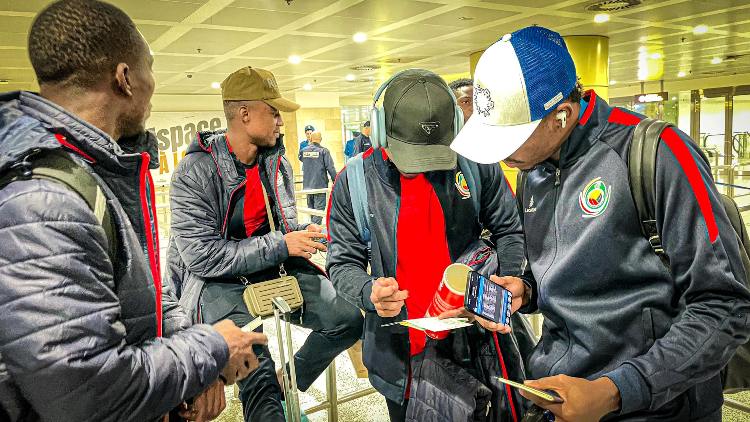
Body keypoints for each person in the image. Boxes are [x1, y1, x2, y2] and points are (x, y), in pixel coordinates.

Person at [450, 26, 750, 422]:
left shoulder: (657, 153)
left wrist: (615, 392)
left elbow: (726, 306)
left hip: (655, 407)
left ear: (561, 115)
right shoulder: (532, 171)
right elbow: (567, 271)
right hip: (558, 396)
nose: (502, 156)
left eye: (511, 138)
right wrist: (527, 289)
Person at [0, 1, 265, 421]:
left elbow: (143, 287)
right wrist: (213, 348)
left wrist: (193, 364)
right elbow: (88, 393)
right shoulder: (42, 199)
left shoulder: (97, 168)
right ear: (125, 78)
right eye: (150, 69)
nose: (153, 84)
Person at [326, 69, 527, 422]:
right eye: (410, 155)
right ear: (380, 130)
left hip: (474, 345)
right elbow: (342, 262)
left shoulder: (476, 165)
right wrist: (368, 292)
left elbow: (509, 229)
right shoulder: (353, 182)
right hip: (400, 357)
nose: (420, 166)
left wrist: (505, 284)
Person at [167, 66, 364, 422]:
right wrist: (282, 245)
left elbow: (279, 226)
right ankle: (268, 394)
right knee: (255, 371)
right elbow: (201, 257)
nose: (280, 121)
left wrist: (304, 233)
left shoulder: (276, 162)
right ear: (244, 114)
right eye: (273, 112)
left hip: (274, 268)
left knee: (348, 320)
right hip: (219, 281)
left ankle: (286, 381)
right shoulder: (194, 171)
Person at [298, 131, 337, 225]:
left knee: (311, 210)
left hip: (307, 186)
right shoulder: (324, 151)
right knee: (319, 210)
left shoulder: (303, 151)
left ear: (311, 139)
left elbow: (301, 159)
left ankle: (312, 229)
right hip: (320, 185)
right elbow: (330, 167)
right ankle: (314, 231)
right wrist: (335, 180)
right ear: (321, 139)